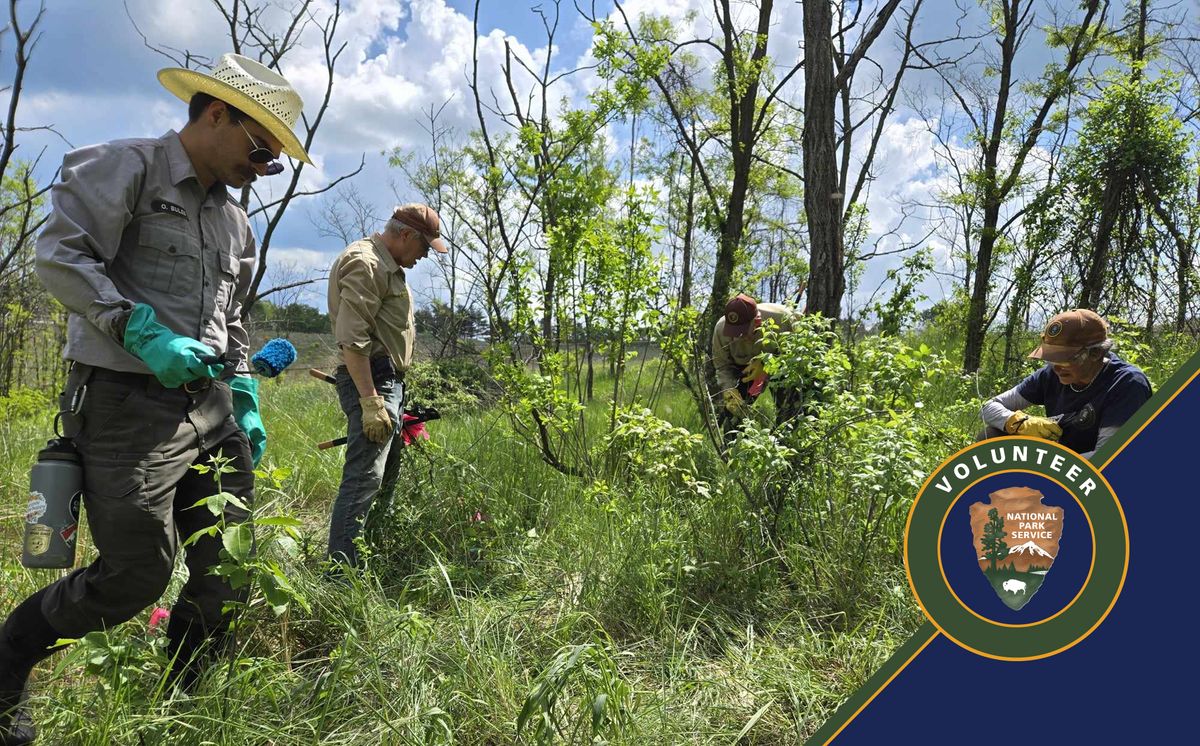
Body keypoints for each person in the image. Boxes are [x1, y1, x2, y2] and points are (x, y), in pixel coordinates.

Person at [0, 53, 310, 744]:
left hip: (211, 408)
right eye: (260, 150)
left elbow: (229, 321)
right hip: (124, 405)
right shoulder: (125, 166)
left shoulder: (236, 226)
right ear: (215, 113)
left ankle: (178, 712)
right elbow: (59, 255)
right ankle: (8, 661)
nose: (261, 170)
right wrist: (137, 329)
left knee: (228, 566)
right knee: (137, 574)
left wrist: (244, 389)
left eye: (274, 164)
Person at [325, 204, 447, 568]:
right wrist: (371, 401)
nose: (425, 255)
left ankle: (370, 556)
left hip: (386, 381)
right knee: (364, 480)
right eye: (424, 246)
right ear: (406, 234)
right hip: (372, 380)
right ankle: (342, 577)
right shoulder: (367, 264)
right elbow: (353, 341)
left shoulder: (389, 267)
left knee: (382, 479)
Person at [979, 309, 1152, 458]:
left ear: (1096, 353)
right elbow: (988, 407)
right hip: (1062, 455)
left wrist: (1039, 467)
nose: (1056, 367)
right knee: (990, 435)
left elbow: (1108, 457)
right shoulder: (1051, 374)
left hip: (1096, 473)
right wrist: (1019, 422)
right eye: (1051, 358)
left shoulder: (1127, 384)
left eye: (1065, 359)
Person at [711, 293, 801, 434]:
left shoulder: (783, 319)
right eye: (735, 332)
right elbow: (722, 366)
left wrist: (767, 365)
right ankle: (732, 449)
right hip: (745, 371)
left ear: (757, 321)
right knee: (734, 414)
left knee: (789, 408)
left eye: (743, 331)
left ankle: (783, 441)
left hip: (781, 368)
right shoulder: (721, 330)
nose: (739, 336)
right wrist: (729, 389)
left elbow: (798, 356)